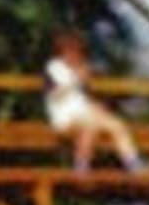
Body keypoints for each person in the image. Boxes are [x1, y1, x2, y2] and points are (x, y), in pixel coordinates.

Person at [42, 32, 143, 173]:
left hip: (84, 113)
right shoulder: (53, 68)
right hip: (63, 117)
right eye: (72, 51)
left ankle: (135, 166)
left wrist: (96, 105)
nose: (76, 55)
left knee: (117, 125)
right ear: (64, 52)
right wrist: (75, 80)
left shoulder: (81, 68)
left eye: (78, 52)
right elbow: (54, 96)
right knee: (90, 125)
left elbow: (85, 97)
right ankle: (81, 169)